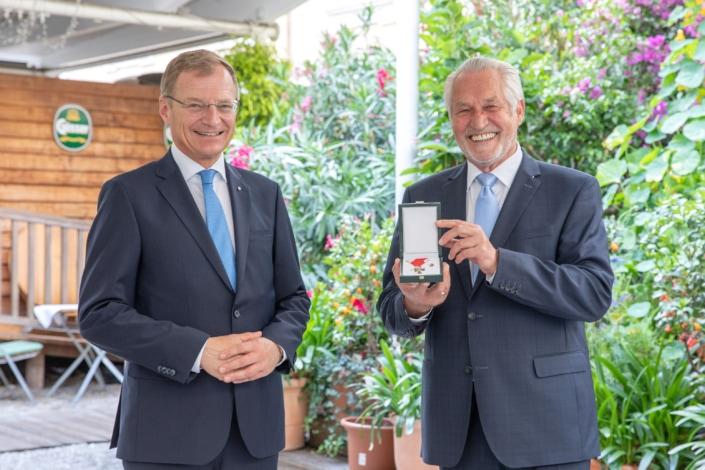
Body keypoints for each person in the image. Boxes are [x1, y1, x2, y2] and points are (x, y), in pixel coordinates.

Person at [377, 56, 613, 470]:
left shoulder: (571, 190)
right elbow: (392, 310)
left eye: (491, 106)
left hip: (548, 428)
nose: (477, 120)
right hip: (459, 431)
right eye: (463, 110)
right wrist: (416, 304)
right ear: (452, 118)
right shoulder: (423, 197)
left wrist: (496, 261)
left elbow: (593, 294)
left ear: (517, 111)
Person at [78, 49, 310, 469]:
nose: (213, 118)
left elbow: (294, 298)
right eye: (197, 105)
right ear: (165, 108)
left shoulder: (265, 194)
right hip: (166, 436)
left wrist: (276, 347)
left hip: (254, 435)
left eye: (224, 105)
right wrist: (198, 351)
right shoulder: (128, 196)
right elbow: (99, 313)